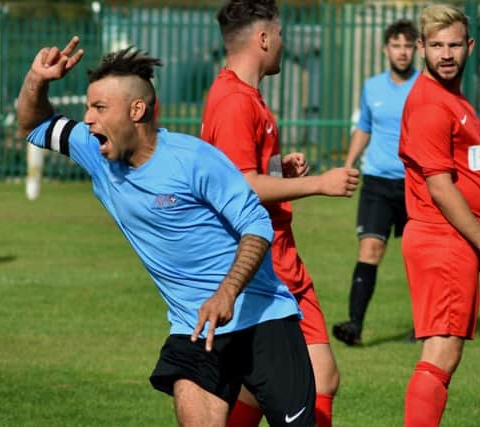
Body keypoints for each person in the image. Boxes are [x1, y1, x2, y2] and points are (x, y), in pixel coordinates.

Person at [17, 37, 317, 427]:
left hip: (265, 318)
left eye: (100, 108)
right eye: (88, 107)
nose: (88, 119)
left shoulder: (193, 160)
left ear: (137, 110)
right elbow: (33, 124)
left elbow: (256, 224)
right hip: (194, 325)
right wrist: (37, 79)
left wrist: (226, 292)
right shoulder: (96, 151)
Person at [200, 2, 360, 426]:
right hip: (265, 261)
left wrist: (278, 171)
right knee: (317, 379)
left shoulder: (244, 96)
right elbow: (242, 185)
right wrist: (318, 184)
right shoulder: (236, 100)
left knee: (266, 386)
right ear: (264, 38)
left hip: (276, 255)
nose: (285, 44)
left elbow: (244, 174)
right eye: (282, 34)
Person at [398, 5, 480, 426]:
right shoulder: (430, 103)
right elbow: (441, 187)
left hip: (451, 239)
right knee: (441, 353)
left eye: (455, 45)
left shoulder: (450, 96)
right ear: (422, 48)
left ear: (470, 46)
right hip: (443, 237)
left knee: (446, 352)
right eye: (438, 45)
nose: (447, 54)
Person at [332, 19, 419, 346]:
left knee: (419, 256)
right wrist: (348, 163)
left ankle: (423, 326)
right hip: (377, 183)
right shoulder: (372, 87)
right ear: (386, 49)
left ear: (416, 50)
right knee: (370, 248)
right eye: (396, 45)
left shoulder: (424, 86)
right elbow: (365, 127)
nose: (402, 52)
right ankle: (354, 325)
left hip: (415, 184)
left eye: (408, 46)